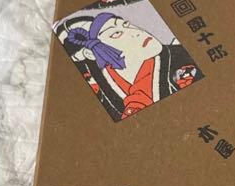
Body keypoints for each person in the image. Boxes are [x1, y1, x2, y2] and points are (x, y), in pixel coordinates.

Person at [61, 9, 200, 121]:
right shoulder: (100, 92)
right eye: (116, 34)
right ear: (89, 54)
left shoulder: (181, 56)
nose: (136, 32)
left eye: (126, 25)